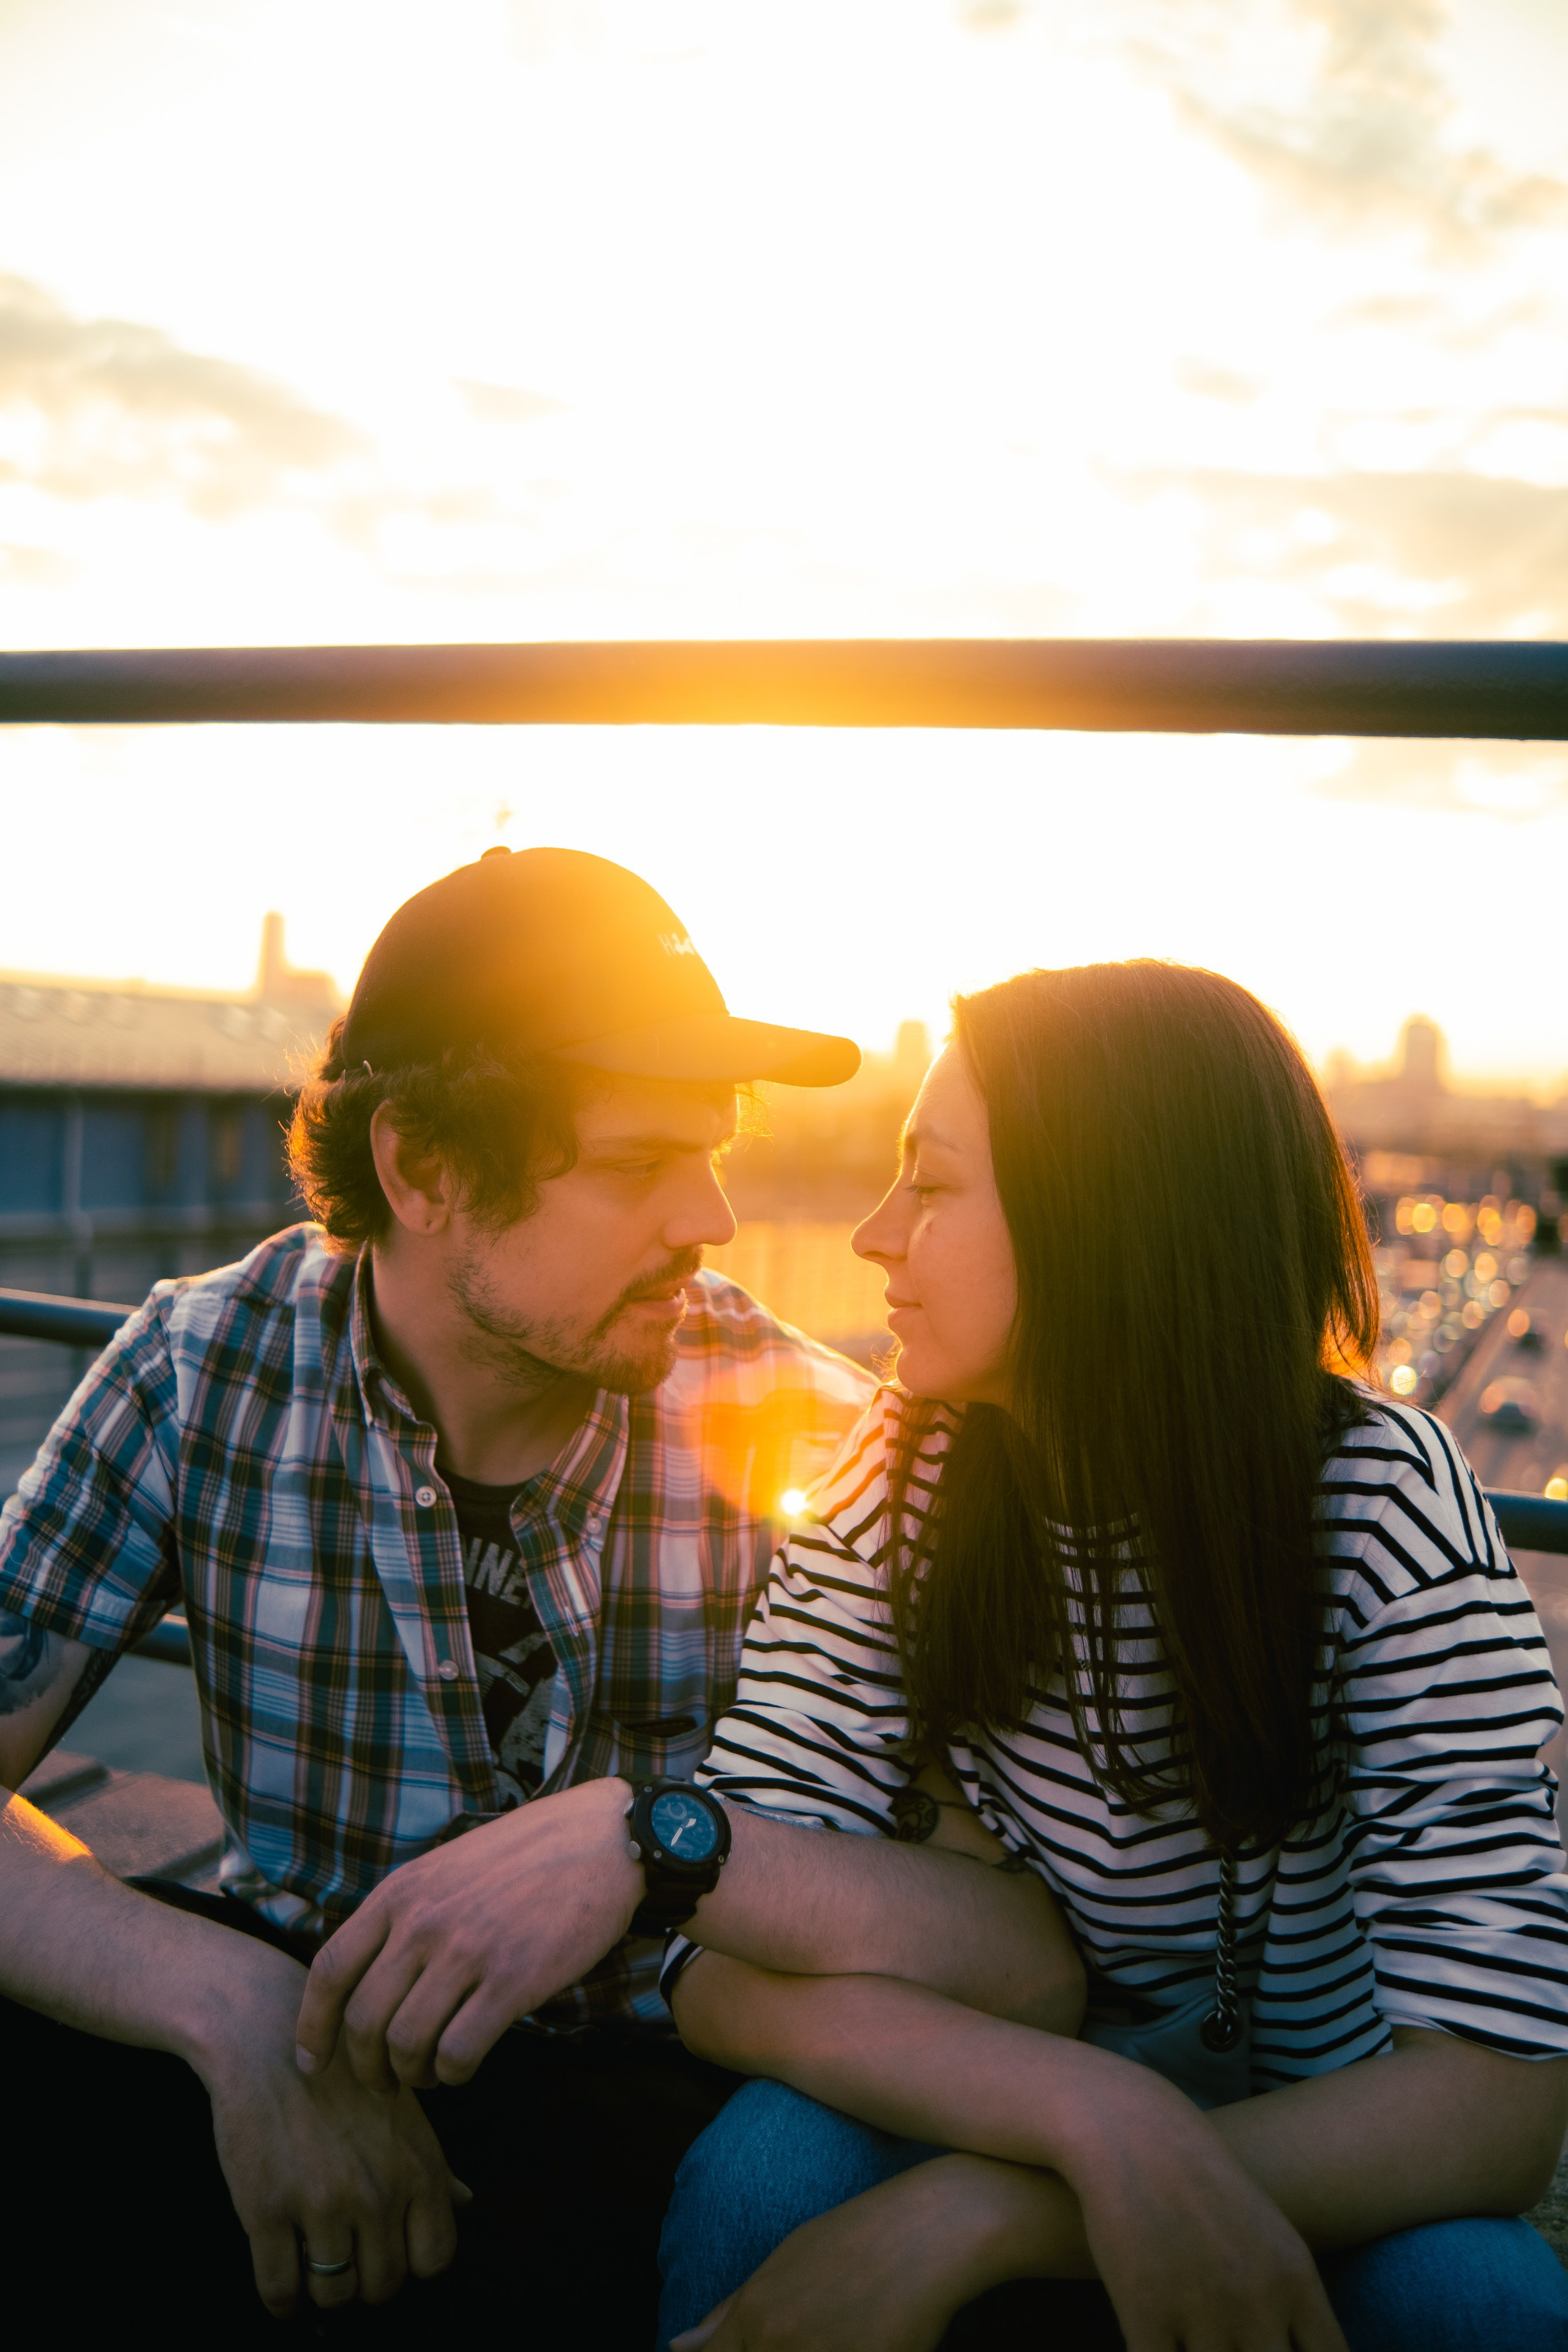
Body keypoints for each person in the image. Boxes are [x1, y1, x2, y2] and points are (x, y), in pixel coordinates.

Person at [0, 844, 915, 2342]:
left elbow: (1005, 1919)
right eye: (635, 1164)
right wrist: (228, 2012)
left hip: (673, 2091)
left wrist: (661, 1845)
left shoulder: (804, 1432)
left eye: (715, 1148)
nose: (710, 1219)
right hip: (309, 2046)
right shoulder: (204, 1369)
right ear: (423, 1169)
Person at [649, 961, 1568, 2352]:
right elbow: (720, 1954)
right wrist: (1091, 2117)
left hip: (1319, 2145)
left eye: (933, 1186)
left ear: (1108, 1223)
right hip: (998, 2088)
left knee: (1481, 2302)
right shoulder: (903, 1467)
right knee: (764, 2174)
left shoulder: (1378, 1501)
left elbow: (1495, 2099)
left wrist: (990, 2212)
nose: (871, 1235)